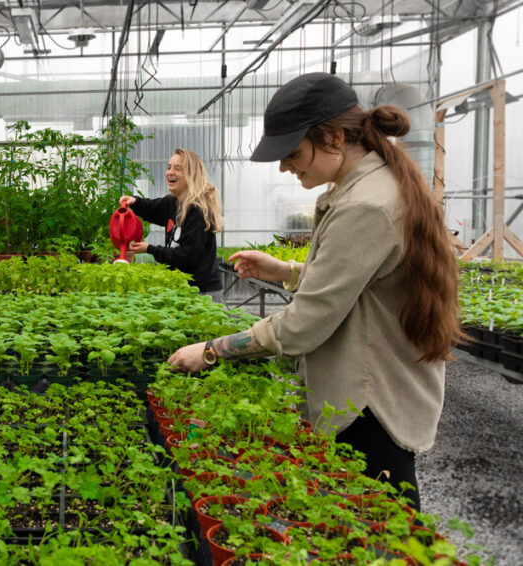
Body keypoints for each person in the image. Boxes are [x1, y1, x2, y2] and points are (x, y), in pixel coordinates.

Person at [166, 73, 462, 511]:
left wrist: (212, 351)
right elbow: (364, 281)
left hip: (368, 407)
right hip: (375, 396)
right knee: (373, 534)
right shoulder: (373, 184)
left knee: (380, 536)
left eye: (292, 153)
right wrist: (286, 270)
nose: (286, 166)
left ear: (335, 138)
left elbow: (304, 325)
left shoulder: (365, 204)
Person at [119, 148, 224, 302]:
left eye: (177, 168)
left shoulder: (198, 210)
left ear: (192, 175)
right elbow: (152, 208)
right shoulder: (174, 203)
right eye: (168, 167)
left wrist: (150, 249)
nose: (170, 172)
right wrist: (134, 202)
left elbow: (186, 256)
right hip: (184, 288)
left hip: (202, 292)